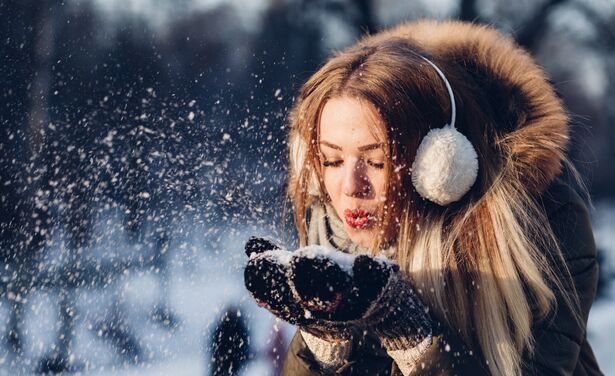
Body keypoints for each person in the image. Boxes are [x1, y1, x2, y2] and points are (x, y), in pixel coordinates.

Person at [243, 20, 603, 375]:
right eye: (332, 160)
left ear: (440, 164)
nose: (351, 187)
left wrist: (413, 338)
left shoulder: (544, 226)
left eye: (376, 161)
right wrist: (325, 345)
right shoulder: (332, 237)